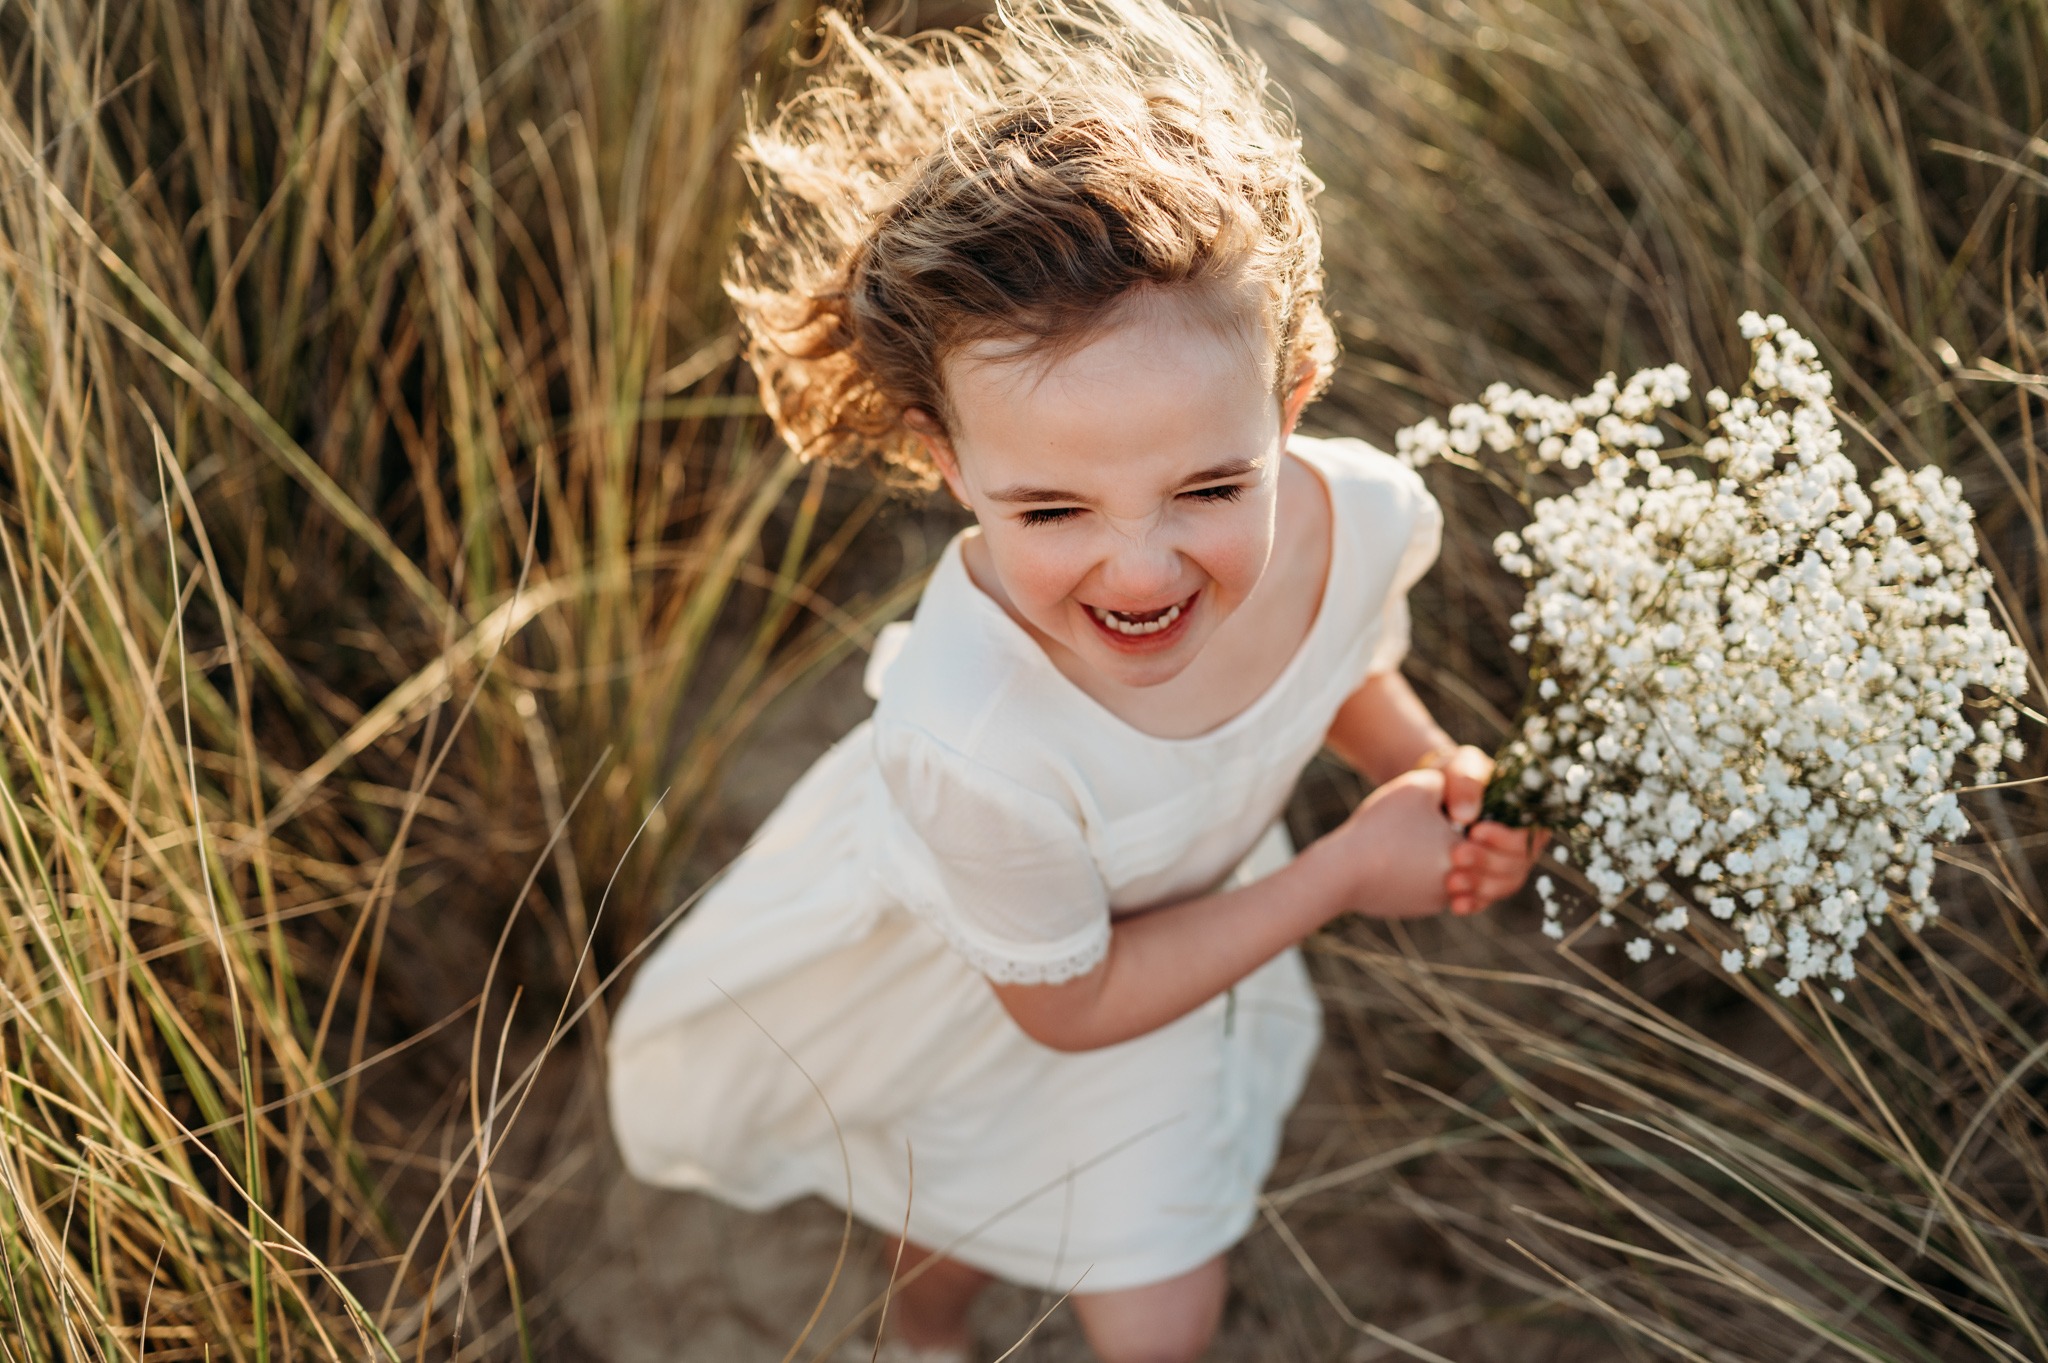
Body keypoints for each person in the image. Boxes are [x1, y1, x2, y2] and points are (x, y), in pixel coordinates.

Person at [607, 4, 1543, 1359]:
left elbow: (1344, 660)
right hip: (1007, 969)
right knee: (976, 1187)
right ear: (950, 464)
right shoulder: (973, 736)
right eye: (1051, 512)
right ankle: (920, 1331)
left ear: (1292, 400)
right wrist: (1339, 872)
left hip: (1168, 957)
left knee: (1120, 1274)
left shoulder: (1368, 518)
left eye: (1211, 487)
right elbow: (1068, 1004)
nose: (1142, 568)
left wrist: (1427, 764)